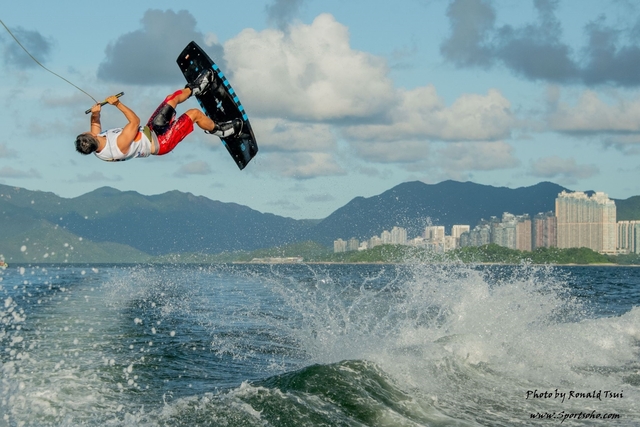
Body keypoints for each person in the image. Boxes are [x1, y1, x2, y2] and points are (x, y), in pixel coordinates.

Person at [74, 69, 242, 162]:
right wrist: (117, 104)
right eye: (89, 133)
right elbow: (135, 121)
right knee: (194, 114)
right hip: (161, 143)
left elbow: (95, 125)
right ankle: (222, 131)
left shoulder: (96, 144)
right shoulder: (118, 145)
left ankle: (197, 88)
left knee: (171, 99)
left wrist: (95, 113)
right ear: (90, 136)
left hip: (152, 129)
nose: (91, 131)